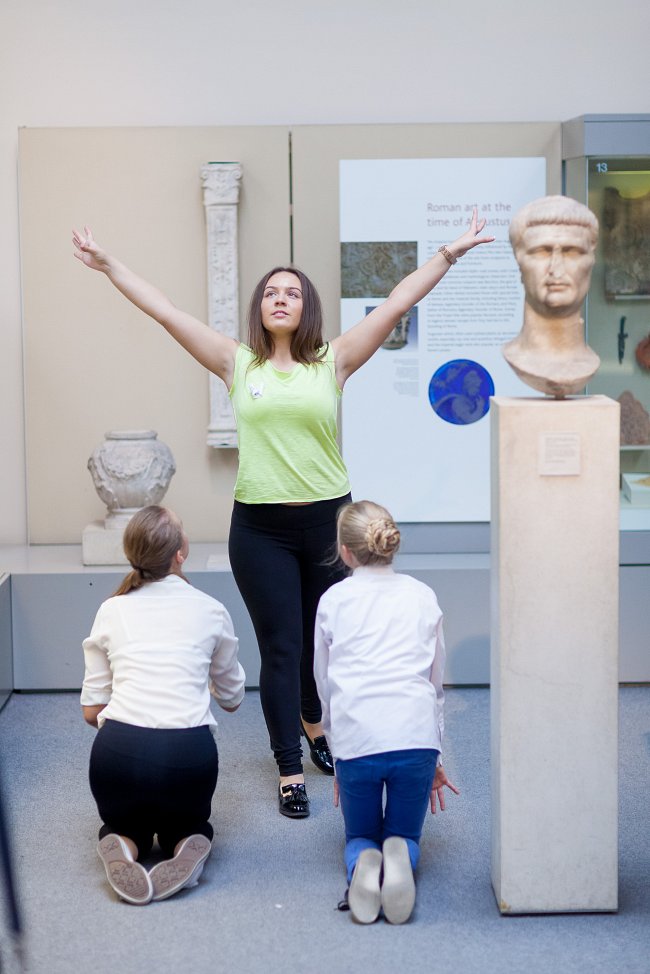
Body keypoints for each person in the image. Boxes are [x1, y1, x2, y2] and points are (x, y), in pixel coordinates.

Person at [73, 211, 493, 818]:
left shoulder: (336, 361)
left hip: (328, 524)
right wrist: (110, 265)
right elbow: (165, 311)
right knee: (280, 644)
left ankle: (315, 722)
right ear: (259, 307)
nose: (280, 298)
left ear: (307, 309)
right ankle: (289, 765)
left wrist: (449, 253)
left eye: (292, 292)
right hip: (260, 528)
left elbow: (397, 303)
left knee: (322, 636)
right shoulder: (236, 363)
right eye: (271, 291)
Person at [81, 505, 245, 905]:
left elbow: (90, 712)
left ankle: (123, 842)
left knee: (123, 825)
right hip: (187, 757)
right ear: (179, 553)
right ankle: (187, 841)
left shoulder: (111, 609)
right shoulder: (210, 609)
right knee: (188, 825)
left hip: (116, 755)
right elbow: (233, 700)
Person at [313, 500, 459, 924]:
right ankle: (401, 858)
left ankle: (363, 863)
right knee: (405, 834)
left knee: (360, 834)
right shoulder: (423, 595)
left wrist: (339, 754)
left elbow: (325, 687)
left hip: (358, 742)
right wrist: (436, 756)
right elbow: (435, 686)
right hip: (415, 740)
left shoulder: (333, 600)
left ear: (345, 551)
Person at [503, 195, 600, 397]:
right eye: (542, 252)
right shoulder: (516, 358)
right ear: (519, 262)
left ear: (591, 261)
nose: (556, 270)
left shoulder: (592, 363)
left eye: (572, 252)